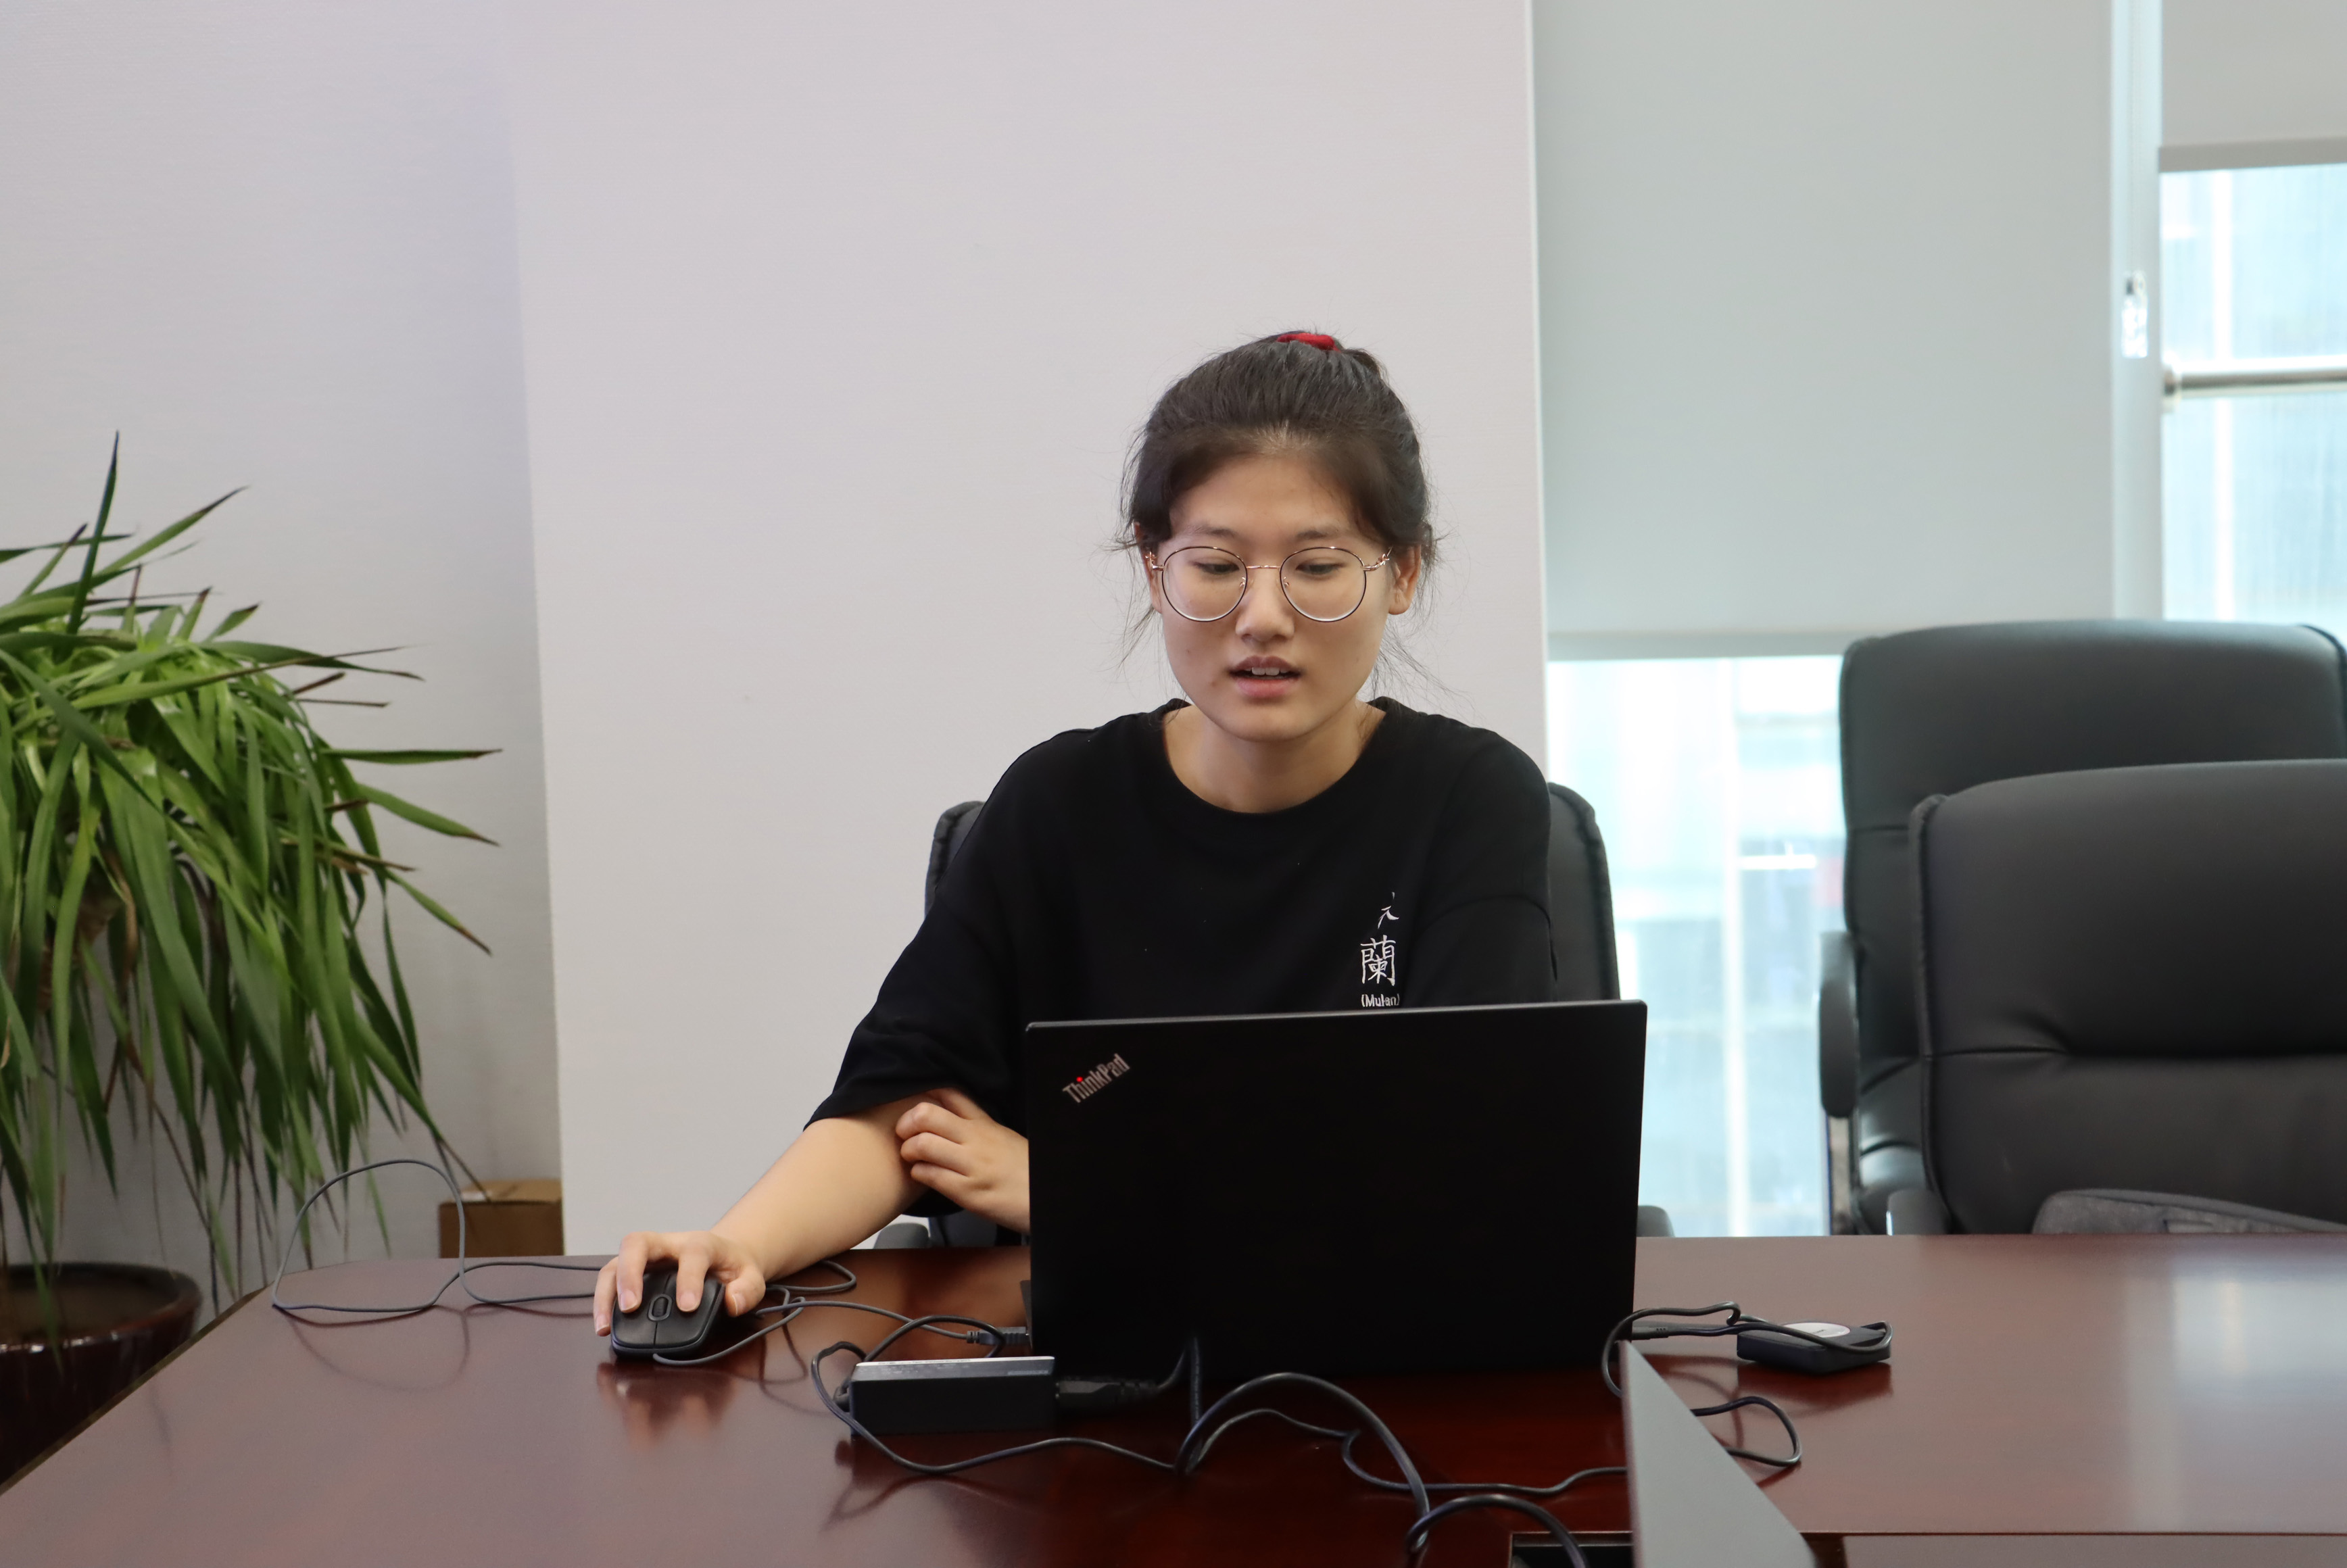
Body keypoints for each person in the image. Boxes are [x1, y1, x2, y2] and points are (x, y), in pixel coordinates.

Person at [594, 330, 1556, 1338]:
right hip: (1094, 1363)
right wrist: (739, 1246)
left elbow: (1463, 1167)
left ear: (1404, 573)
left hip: (1383, 1359)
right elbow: (905, 1100)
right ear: (1152, 566)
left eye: (1318, 566)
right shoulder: (1061, 802)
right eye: (1215, 565)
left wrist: (1079, 1188)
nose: (1263, 617)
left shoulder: (1470, 798)